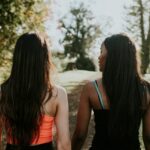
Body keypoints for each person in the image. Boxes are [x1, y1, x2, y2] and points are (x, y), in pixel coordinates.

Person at [72, 33, 150, 150]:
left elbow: (80, 135)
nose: (98, 57)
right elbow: (148, 137)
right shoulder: (145, 90)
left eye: (101, 52)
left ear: (113, 56)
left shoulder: (91, 89)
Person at [0, 32, 71, 150]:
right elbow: (64, 144)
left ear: (17, 58)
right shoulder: (57, 94)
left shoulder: (3, 92)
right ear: (44, 58)